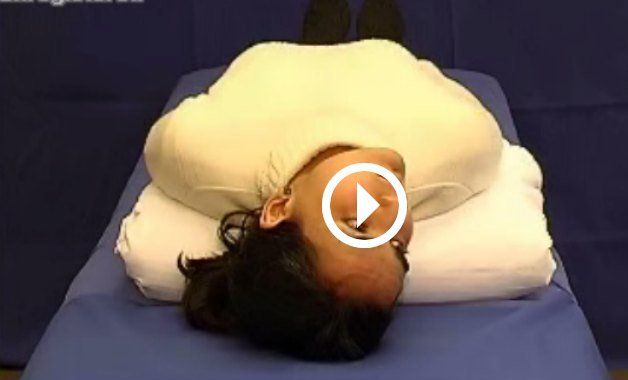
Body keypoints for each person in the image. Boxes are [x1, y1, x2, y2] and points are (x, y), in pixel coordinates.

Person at [145, 0, 502, 361]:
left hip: (286, 64)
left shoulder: (196, 154)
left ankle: (318, 42)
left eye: (358, 225)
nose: (394, 210)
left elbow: (169, 137)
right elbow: (435, 84)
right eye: (398, 247)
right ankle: (379, 36)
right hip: (382, 64)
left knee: (323, 30)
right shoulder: (463, 145)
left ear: (278, 208)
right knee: (385, 43)